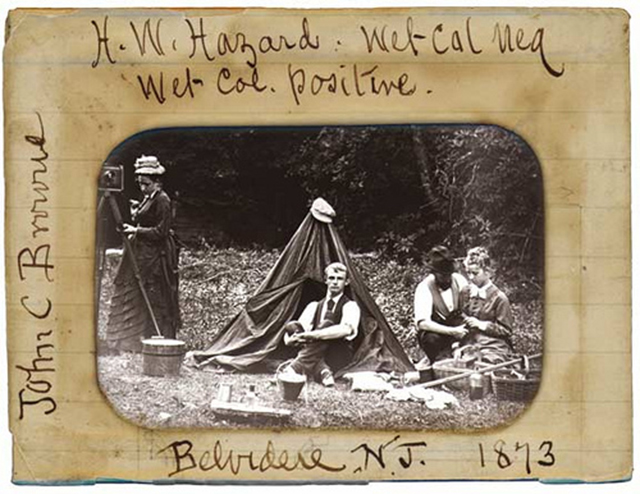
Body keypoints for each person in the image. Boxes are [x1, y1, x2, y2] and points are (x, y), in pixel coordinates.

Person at [106, 155, 180, 351]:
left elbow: (161, 231)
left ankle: (154, 336)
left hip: (155, 255)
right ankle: (128, 339)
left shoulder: (163, 200)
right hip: (141, 251)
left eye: (146, 184)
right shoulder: (149, 197)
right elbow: (146, 219)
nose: (142, 187)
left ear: (157, 181)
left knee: (152, 293)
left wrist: (136, 230)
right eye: (140, 183)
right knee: (134, 291)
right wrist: (135, 214)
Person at [281, 262, 361, 387]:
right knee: (295, 328)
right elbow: (298, 329)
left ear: (346, 282)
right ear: (325, 280)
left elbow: (345, 330)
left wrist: (312, 335)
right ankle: (323, 372)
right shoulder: (314, 306)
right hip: (313, 354)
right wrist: (289, 339)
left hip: (337, 355)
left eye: (339, 279)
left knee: (327, 323)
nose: (335, 282)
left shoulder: (350, 306)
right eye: (331, 278)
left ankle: (294, 368)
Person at [458, 247, 514, 364]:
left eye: (475, 273)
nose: (471, 277)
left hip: (493, 344)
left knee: (485, 364)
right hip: (469, 342)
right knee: (454, 363)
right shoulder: (465, 292)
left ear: (487, 273)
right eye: (468, 273)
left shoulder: (499, 298)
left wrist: (482, 325)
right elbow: (460, 315)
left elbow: (506, 330)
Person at [413, 245, 468, 364]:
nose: (447, 279)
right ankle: (439, 362)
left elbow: (468, 308)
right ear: (434, 273)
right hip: (437, 331)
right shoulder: (424, 288)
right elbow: (423, 323)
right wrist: (452, 331)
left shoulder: (459, 280)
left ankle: (461, 354)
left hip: (458, 327)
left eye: (449, 274)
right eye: (443, 276)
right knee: (431, 340)